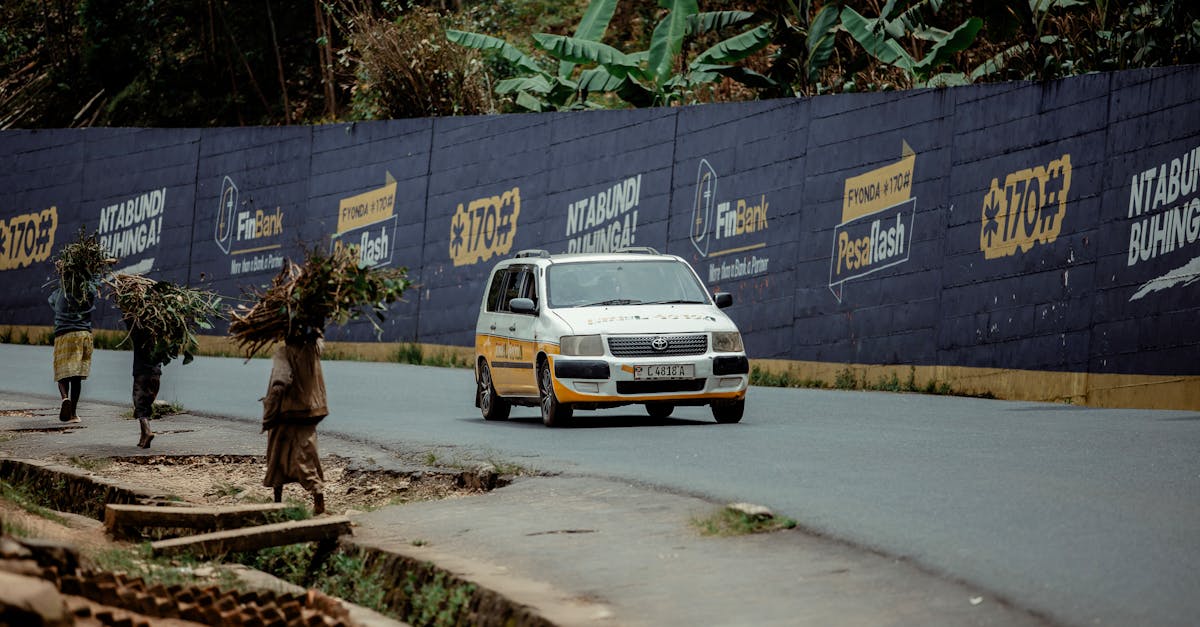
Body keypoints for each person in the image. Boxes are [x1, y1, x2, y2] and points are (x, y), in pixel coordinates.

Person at [261, 330, 328, 515]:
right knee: (306, 455)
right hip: (309, 412)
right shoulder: (312, 351)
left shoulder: (284, 353)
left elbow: (280, 381)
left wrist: (269, 411)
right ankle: (318, 497)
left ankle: (277, 502)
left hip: (285, 415)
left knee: (277, 457)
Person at [49, 281, 97, 423]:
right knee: (77, 376)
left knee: (62, 372)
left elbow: (52, 302)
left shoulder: (59, 293)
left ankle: (65, 398)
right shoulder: (87, 291)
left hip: (63, 335)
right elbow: (93, 294)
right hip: (83, 334)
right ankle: (73, 413)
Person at [125, 315, 166, 449]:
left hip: (142, 374)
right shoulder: (160, 335)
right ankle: (143, 438)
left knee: (140, 405)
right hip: (156, 375)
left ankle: (147, 431)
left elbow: (130, 322)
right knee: (146, 405)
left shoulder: (139, 334)